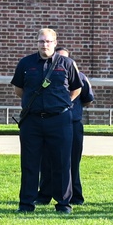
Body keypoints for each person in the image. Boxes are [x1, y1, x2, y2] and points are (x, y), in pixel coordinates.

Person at [11, 28, 83, 213]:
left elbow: (76, 89)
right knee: (29, 163)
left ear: (55, 43)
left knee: (62, 163)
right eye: (41, 41)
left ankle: (63, 204)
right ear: (37, 43)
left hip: (59, 120)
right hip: (32, 121)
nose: (45, 45)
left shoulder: (67, 63)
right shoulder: (25, 63)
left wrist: (62, 103)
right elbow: (19, 90)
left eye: (48, 41)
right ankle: (26, 204)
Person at [36, 46, 94, 206]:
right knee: (46, 161)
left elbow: (88, 99)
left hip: (72, 124)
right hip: (51, 122)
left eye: (64, 58)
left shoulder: (80, 77)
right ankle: (44, 195)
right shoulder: (45, 76)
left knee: (71, 162)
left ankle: (75, 196)